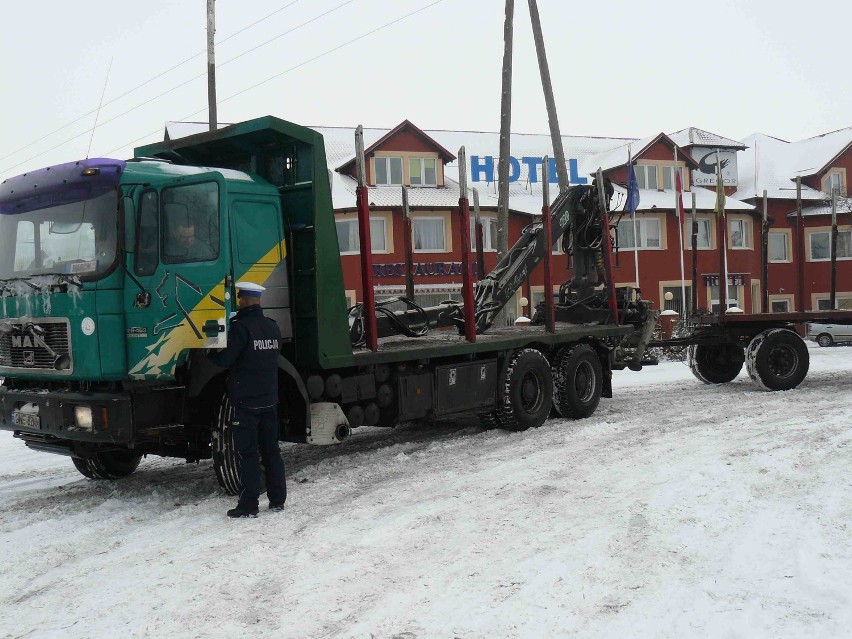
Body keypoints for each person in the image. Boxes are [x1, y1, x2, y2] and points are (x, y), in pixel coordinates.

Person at [208, 281, 287, 518]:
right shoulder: (272, 327)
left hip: (247, 402)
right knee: (272, 450)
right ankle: (277, 500)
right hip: (269, 399)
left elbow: (224, 361)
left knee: (248, 453)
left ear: (242, 301)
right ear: (259, 301)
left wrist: (210, 348)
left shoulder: (241, 329)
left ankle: (249, 505)